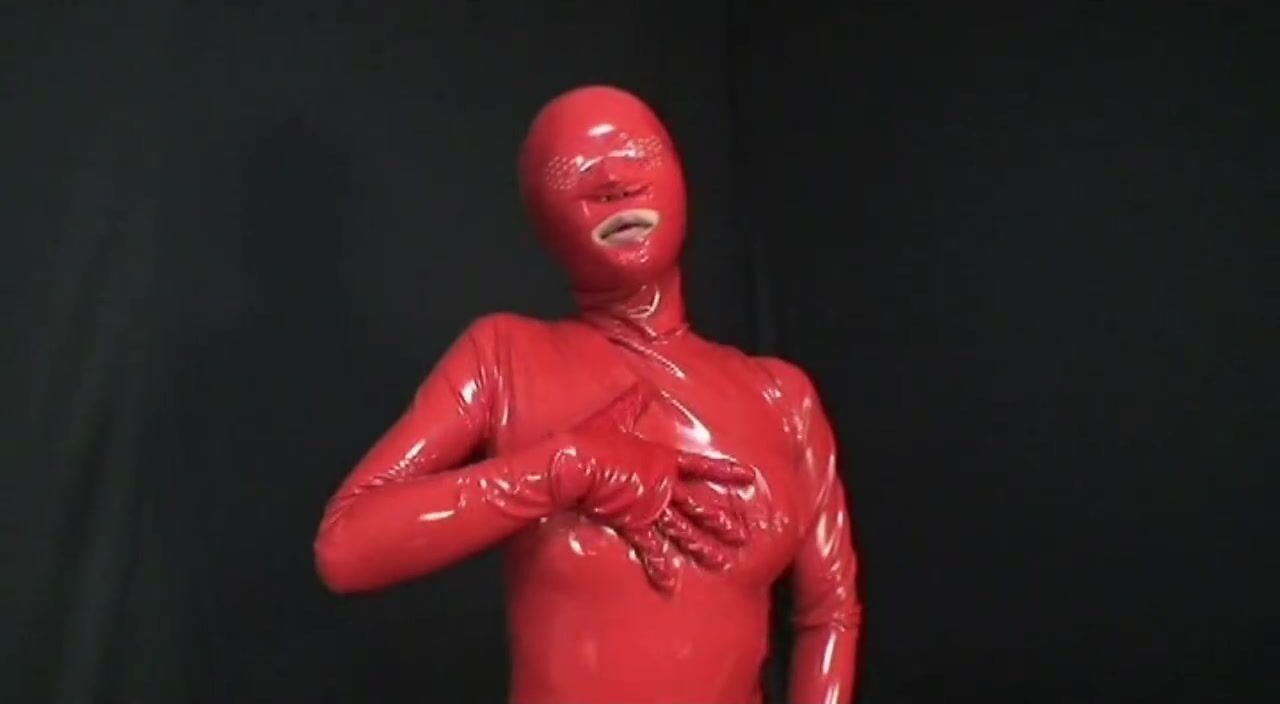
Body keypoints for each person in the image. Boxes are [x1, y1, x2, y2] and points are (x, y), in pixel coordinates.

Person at [313, 85, 861, 704]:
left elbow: (829, 612)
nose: (614, 182)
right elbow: (347, 546)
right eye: (570, 172)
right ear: (542, 218)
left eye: (638, 152)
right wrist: (562, 469)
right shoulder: (505, 358)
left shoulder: (782, 397)